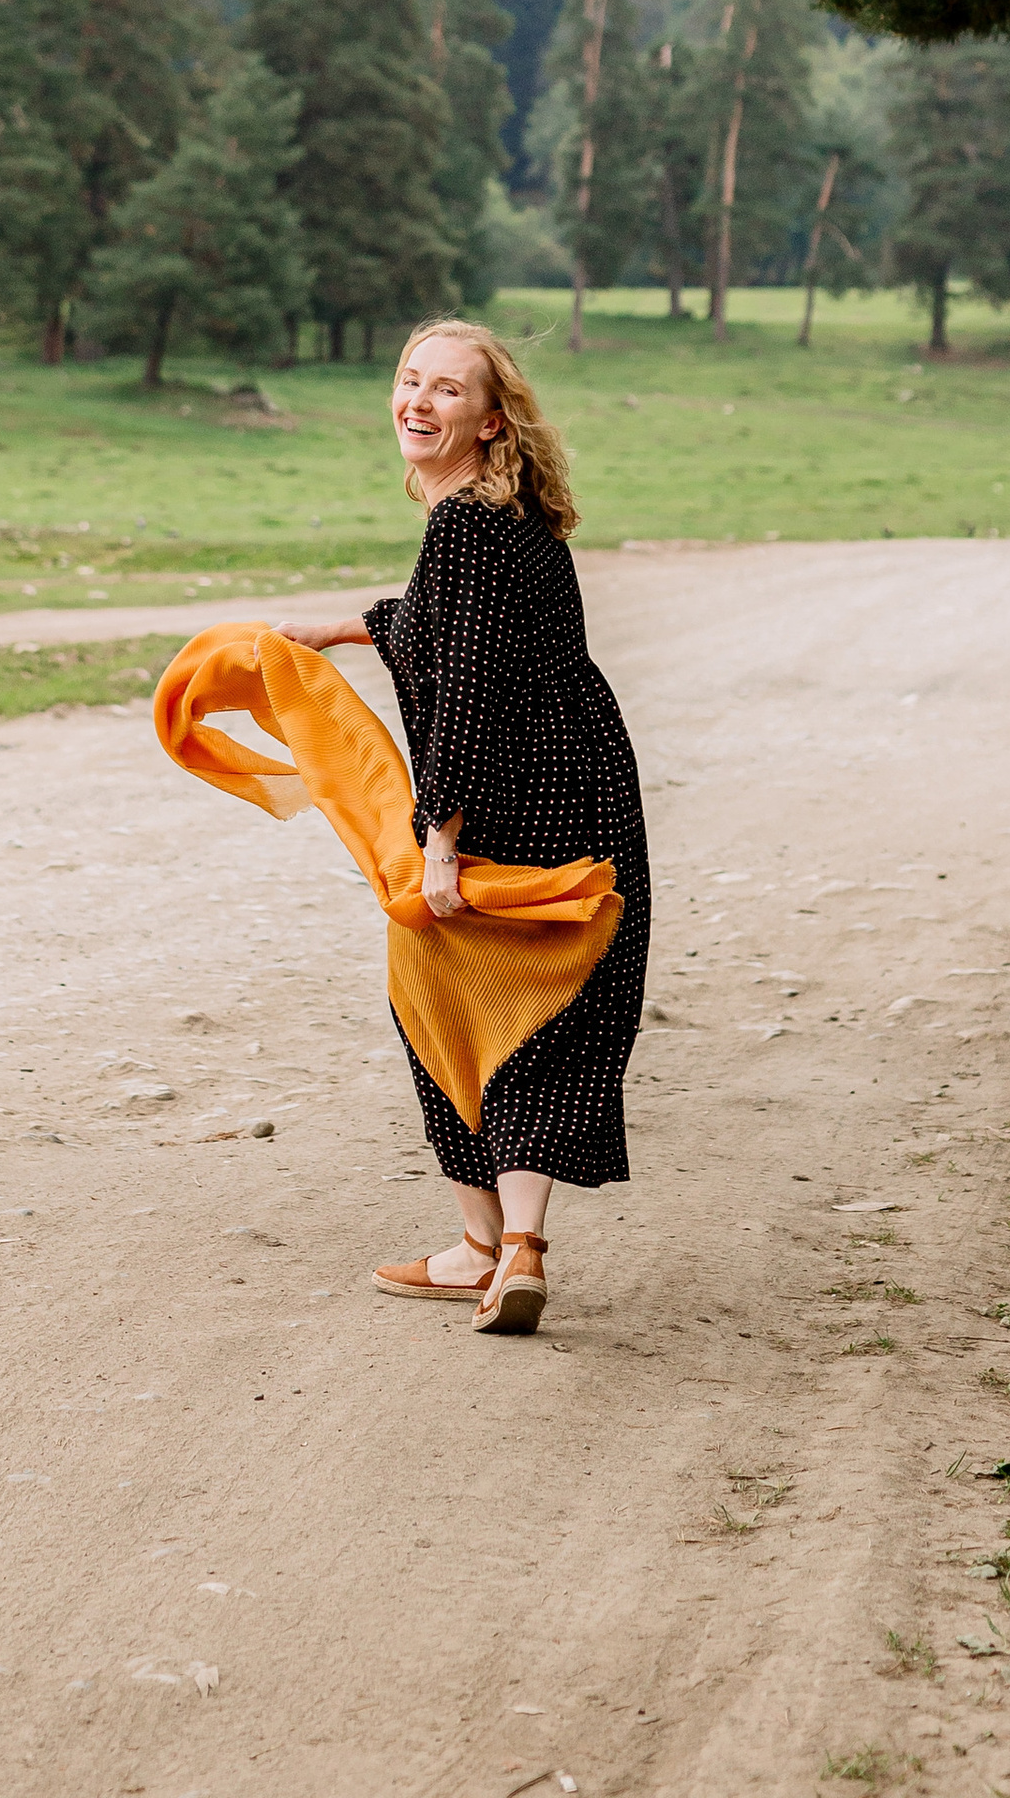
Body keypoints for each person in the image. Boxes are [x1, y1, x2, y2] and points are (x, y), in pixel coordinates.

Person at [296, 321, 649, 1334]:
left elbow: (467, 693)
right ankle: (516, 1244)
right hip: (589, 791)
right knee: (543, 1010)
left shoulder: (463, 529)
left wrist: (439, 842)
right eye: (408, 381)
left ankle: (482, 1248)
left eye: (446, 391)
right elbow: (445, 623)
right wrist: (342, 626)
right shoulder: (508, 522)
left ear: (490, 420)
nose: (418, 402)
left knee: (438, 1000)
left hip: (510, 796)